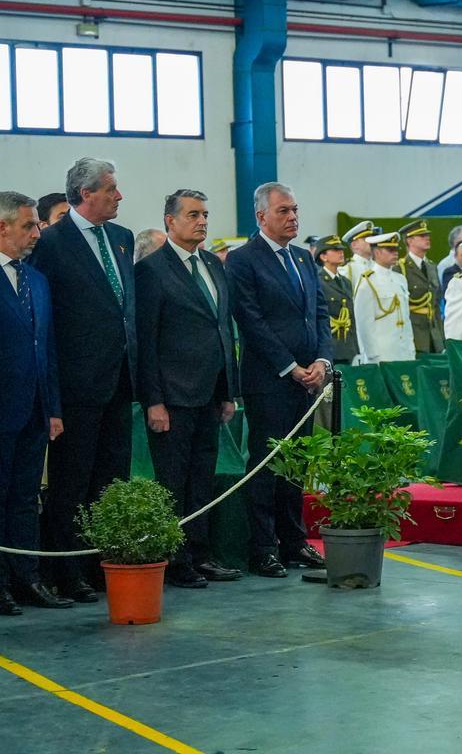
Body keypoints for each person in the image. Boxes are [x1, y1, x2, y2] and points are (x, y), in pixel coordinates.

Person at [28, 157, 135, 603]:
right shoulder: (51, 243)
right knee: (72, 482)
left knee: (111, 480)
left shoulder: (123, 239)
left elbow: (125, 309)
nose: (119, 195)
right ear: (85, 193)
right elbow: (46, 322)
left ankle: (101, 565)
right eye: (111, 188)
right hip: (75, 386)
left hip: (120, 380)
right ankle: (67, 571)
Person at [0, 193, 71, 616]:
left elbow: (45, 348)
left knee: (26, 497)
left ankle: (26, 576)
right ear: (2, 227)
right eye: (29, 225)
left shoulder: (37, 280)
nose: (36, 233)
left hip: (34, 409)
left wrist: (54, 408)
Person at [136, 189, 242, 589]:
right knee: (173, 482)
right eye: (193, 214)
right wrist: (154, 400)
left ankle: (200, 553)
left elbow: (222, 330)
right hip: (173, 396)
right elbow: (146, 342)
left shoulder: (214, 265)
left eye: (205, 214)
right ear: (170, 220)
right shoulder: (151, 270)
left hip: (210, 394)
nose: (202, 221)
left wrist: (228, 389)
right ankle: (175, 558)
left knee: (203, 478)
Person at [226, 182, 332, 577]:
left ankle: (295, 541)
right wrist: (290, 366)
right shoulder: (243, 260)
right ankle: (263, 547)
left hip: (309, 377)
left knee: (298, 464)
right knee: (267, 464)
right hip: (270, 378)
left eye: (295, 209)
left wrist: (321, 359)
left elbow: (319, 312)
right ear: (261, 217)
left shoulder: (304, 258)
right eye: (283, 211)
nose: (293, 217)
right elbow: (250, 321)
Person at [354, 231, 415, 363]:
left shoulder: (400, 279)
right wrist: (372, 355)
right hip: (382, 353)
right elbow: (364, 323)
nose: (395, 253)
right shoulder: (368, 282)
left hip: (404, 351)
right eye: (390, 249)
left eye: (396, 249)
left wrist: (411, 349)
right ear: (377, 253)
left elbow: (406, 318)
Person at [396, 219, 444, 354]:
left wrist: (441, 335)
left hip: (434, 334)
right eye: (422, 236)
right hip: (415, 334)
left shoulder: (431, 266)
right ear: (409, 241)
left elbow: (435, 303)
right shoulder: (400, 268)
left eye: (427, 236)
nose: (427, 239)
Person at [314, 235, 358, 366]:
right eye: (335, 250)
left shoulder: (345, 282)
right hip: (330, 348)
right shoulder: (318, 281)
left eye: (341, 249)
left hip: (347, 347)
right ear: (323, 257)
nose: (341, 252)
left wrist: (356, 347)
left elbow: (351, 316)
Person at [340, 220, 375, 292]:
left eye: (372, 238)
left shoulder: (378, 265)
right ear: (354, 245)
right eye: (366, 239)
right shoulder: (347, 269)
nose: (372, 241)